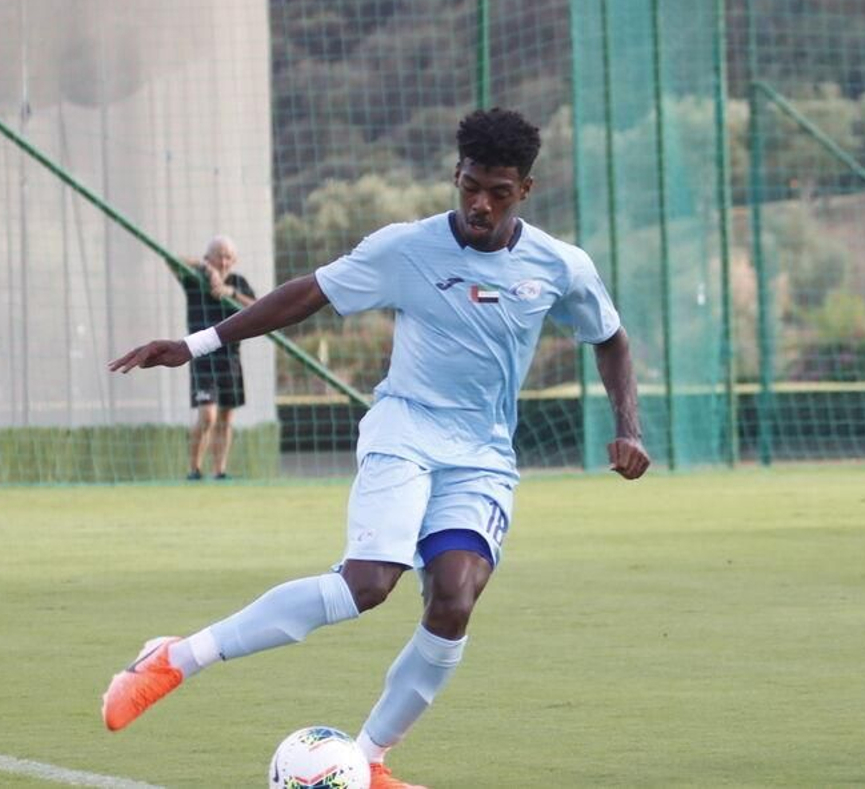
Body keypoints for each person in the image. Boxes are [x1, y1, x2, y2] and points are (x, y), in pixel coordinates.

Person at [103, 108, 651, 789]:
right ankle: (174, 658)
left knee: (453, 601)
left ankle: (370, 760)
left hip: (481, 457)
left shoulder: (559, 266)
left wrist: (628, 426)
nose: (480, 203)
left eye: (499, 192)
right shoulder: (406, 249)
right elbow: (309, 295)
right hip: (404, 432)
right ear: (457, 175)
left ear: (525, 192)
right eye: (471, 186)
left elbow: (611, 338)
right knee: (366, 585)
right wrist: (196, 344)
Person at [178, 235, 257, 480]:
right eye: (218, 255)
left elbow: (258, 307)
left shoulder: (238, 283)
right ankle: (194, 469)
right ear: (208, 257)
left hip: (230, 357)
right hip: (202, 357)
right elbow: (173, 261)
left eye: (227, 256)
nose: (223, 261)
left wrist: (230, 292)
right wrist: (204, 269)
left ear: (233, 260)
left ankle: (220, 471)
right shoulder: (196, 278)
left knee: (225, 417)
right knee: (207, 416)